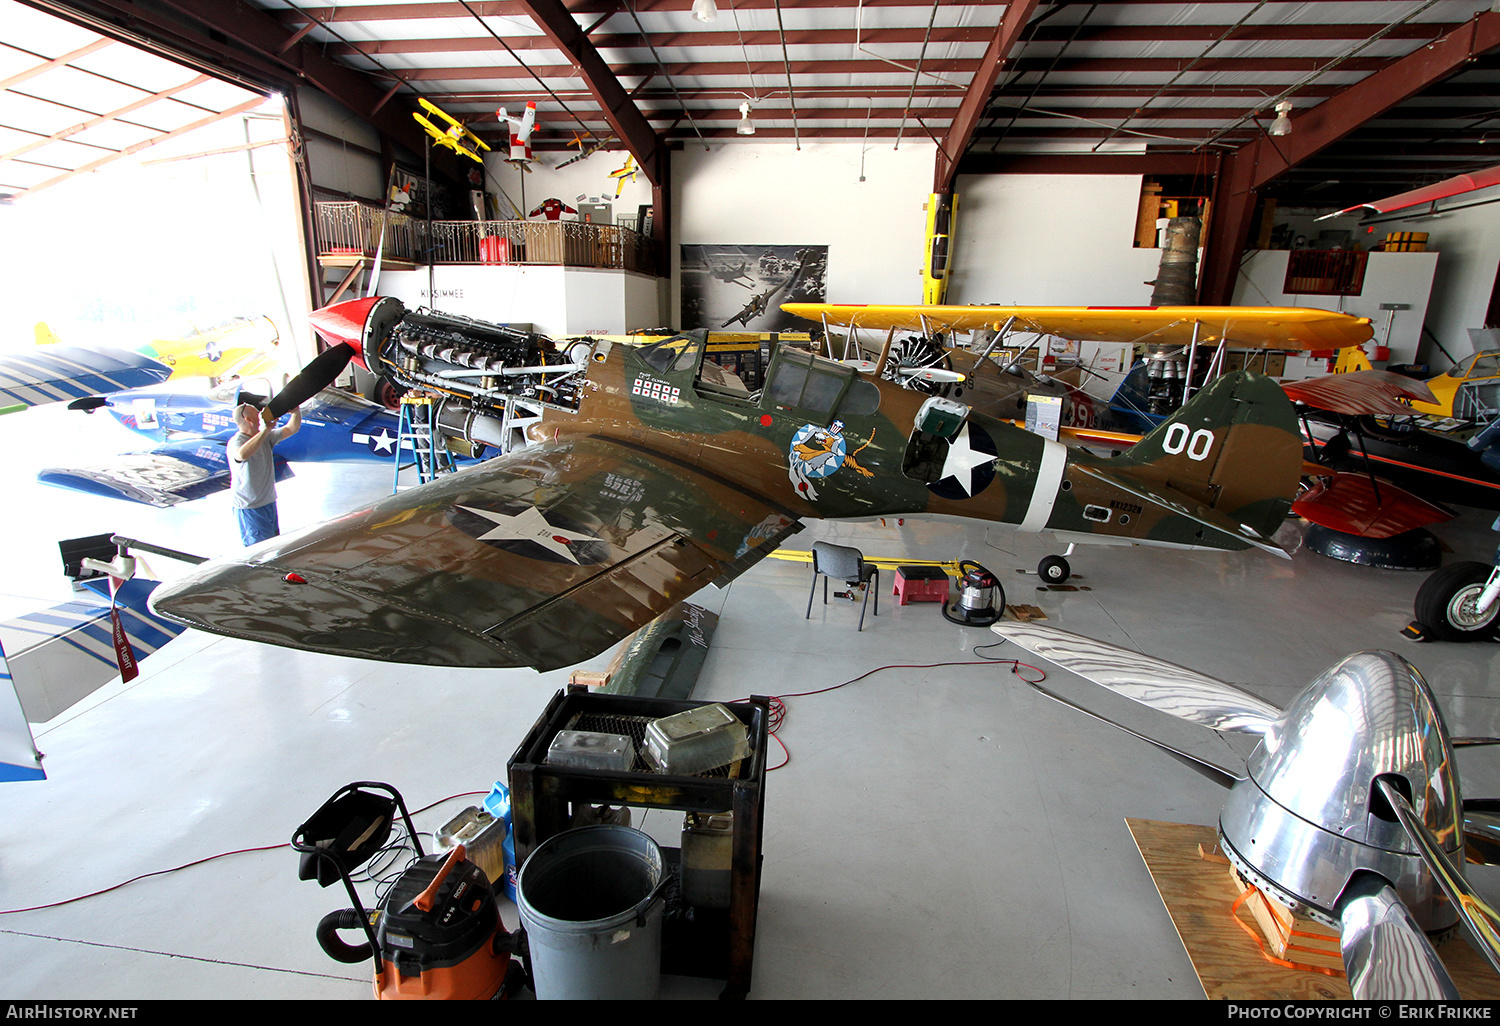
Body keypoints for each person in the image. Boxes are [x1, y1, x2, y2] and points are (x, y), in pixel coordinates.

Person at [228, 400, 301, 546]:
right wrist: (265, 430)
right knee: (260, 551)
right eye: (257, 413)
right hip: (251, 507)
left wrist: (296, 411)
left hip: (268, 502)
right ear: (248, 419)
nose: (261, 414)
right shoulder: (236, 441)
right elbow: (241, 455)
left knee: (273, 545)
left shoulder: (265, 436)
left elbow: (292, 428)